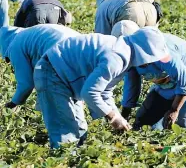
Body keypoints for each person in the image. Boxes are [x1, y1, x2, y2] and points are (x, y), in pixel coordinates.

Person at [33, 27, 170, 148]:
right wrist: (112, 117)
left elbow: (104, 92)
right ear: (144, 53)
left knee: (80, 130)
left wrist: (118, 117)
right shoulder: (115, 58)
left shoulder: (123, 54)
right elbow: (89, 93)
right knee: (66, 132)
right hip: (52, 73)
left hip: (62, 77)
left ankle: (73, 167)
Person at [112, 21, 186, 132]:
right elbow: (132, 84)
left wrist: (174, 109)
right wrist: (124, 116)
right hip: (165, 84)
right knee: (144, 125)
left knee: (184, 126)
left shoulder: (161, 51)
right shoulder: (129, 57)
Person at [0, 24, 79, 109]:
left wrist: (14, 103)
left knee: (49, 102)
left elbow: (26, 83)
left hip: (61, 52)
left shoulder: (14, 47)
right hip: (82, 46)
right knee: (76, 95)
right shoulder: (28, 34)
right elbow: (38, 66)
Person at [94, 0, 161, 35]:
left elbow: (101, 36)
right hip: (150, 7)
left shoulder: (102, 7)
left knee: (128, 43)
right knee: (149, 39)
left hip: (130, 8)